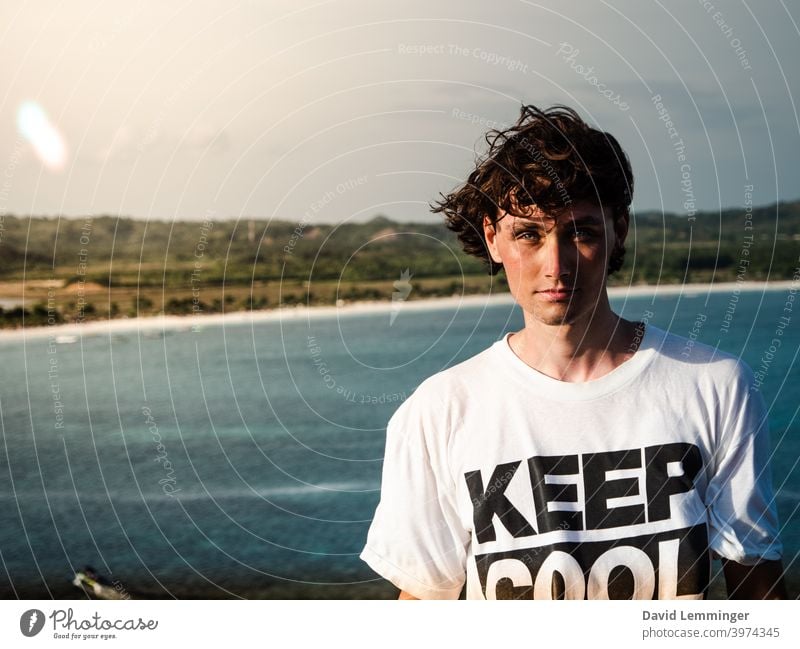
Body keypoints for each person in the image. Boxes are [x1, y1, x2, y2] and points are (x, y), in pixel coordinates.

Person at [360, 105, 787, 600]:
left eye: (580, 232)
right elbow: (422, 606)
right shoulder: (439, 412)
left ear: (618, 229)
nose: (555, 265)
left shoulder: (713, 386)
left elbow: (758, 596)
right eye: (528, 234)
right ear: (492, 238)